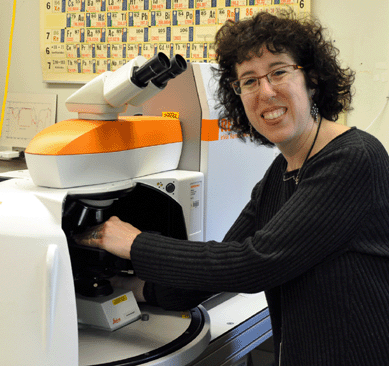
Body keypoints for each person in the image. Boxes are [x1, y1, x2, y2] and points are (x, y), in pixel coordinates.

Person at [74, 10, 389, 365]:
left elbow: (253, 265)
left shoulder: (354, 159)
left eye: (279, 72)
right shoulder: (281, 172)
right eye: (249, 81)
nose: (265, 92)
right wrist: (133, 290)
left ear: (312, 79)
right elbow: (220, 267)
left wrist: (134, 243)